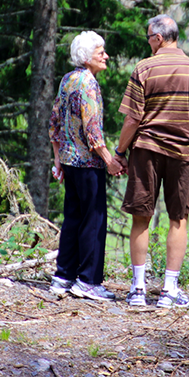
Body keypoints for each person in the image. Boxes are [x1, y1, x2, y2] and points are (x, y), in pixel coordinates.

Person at [113, 14, 189, 308]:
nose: (148, 43)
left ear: (158, 38)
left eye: (148, 38)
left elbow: (133, 119)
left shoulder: (144, 68)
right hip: (184, 153)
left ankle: (138, 290)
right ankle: (169, 291)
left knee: (141, 218)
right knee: (178, 219)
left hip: (146, 150)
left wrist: (120, 153)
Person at [48, 31, 123, 302]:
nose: (106, 56)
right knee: (94, 220)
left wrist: (58, 160)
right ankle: (88, 281)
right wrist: (110, 161)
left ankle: (63, 276)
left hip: (69, 161)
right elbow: (93, 132)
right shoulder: (89, 84)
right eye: (100, 51)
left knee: (73, 219)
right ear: (86, 56)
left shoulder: (68, 79)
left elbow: (54, 123)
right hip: (88, 163)